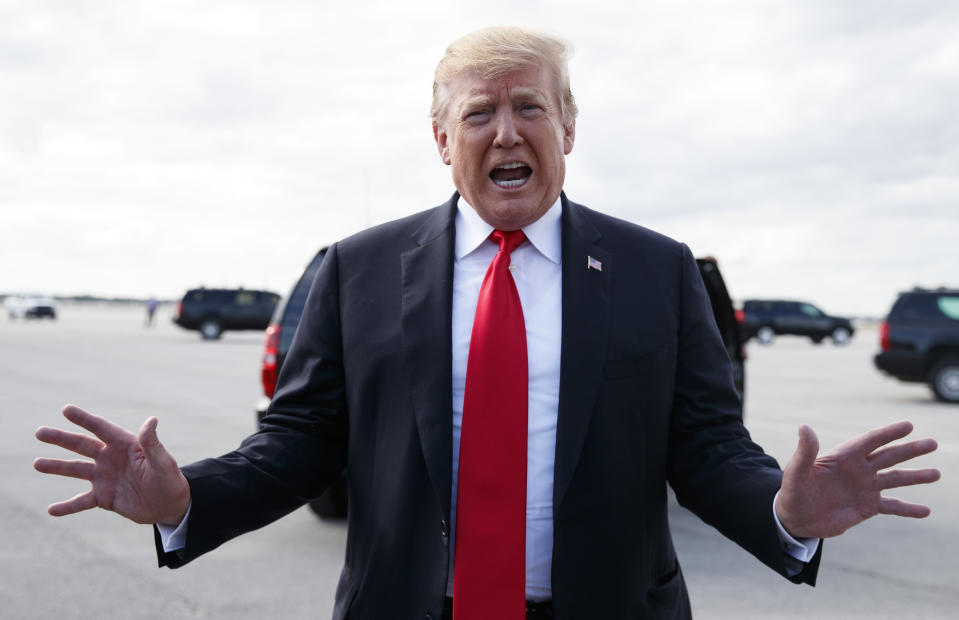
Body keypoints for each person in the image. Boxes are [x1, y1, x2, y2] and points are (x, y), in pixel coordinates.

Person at [34, 27, 939, 620]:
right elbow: (301, 443)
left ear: (567, 128)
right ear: (441, 139)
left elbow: (704, 447)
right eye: (479, 113)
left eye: (529, 107)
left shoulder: (655, 270)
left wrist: (785, 511)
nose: (506, 132)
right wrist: (185, 499)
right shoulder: (358, 269)